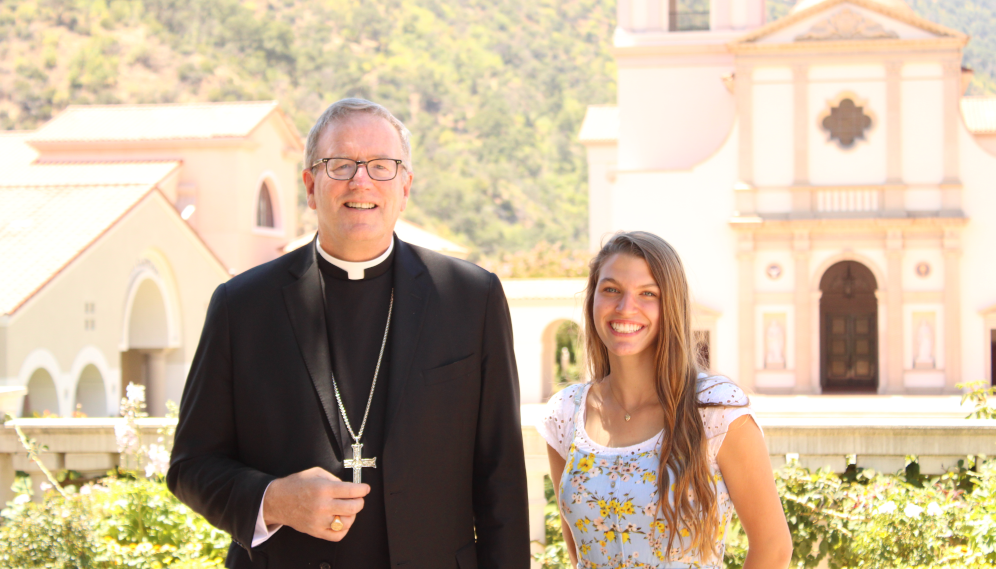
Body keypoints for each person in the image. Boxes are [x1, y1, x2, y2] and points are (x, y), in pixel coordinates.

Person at [167, 98, 530, 569]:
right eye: (341, 165)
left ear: (406, 186)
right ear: (310, 186)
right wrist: (274, 500)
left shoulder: (470, 297)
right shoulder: (241, 306)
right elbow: (190, 465)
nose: (361, 180)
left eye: (382, 166)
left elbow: (501, 476)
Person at [537, 232, 792, 568]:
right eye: (611, 289)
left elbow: (773, 547)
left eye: (648, 294)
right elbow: (579, 552)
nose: (626, 307)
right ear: (592, 300)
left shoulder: (715, 409)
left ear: (671, 305)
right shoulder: (566, 413)